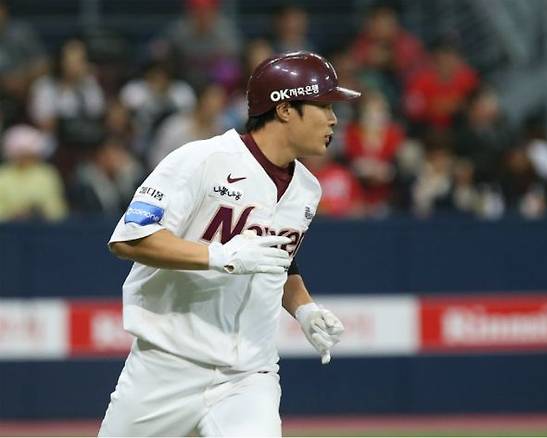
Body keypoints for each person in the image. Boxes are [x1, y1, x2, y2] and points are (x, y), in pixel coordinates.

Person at [98, 51, 359, 437]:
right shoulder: (203, 159)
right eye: (324, 106)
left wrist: (304, 308)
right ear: (285, 109)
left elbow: (278, 261)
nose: (334, 119)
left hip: (248, 375)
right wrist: (219, 255)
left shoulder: (307, 188)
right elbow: (131, 238)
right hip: (166, 366)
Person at [0, 124, 67, 222]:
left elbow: (58, 210)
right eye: (21, 153)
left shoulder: (47, 173)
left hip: (44, 227)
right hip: (7, 228)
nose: (25, 157)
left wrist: (39, 211)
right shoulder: (2, 174)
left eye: (28, 153)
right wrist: (14, 214)